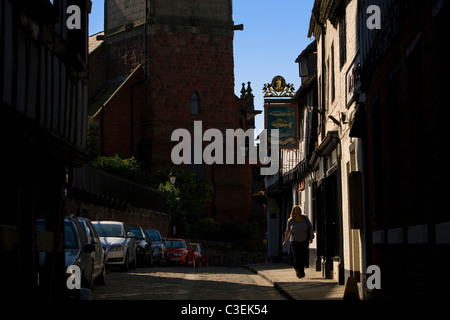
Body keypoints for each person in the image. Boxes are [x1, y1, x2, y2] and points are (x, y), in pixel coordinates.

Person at [282, 205, 314, 278]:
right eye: (295, 210)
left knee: (303, 256)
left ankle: (301, 270)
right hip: (294, 241)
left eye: (298, 210)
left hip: (304, 240)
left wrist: (311, 237)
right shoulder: (290, 220)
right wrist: (285, 241)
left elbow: (310, 227)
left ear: (300, 211)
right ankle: (298, 270)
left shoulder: (305, 218)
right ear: (293, 212)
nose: (297, 211)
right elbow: (288, 231)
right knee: (297, 256)